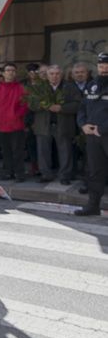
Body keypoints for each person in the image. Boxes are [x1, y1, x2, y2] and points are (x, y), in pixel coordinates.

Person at [30, 65, 79, 184]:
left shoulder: (70, 87)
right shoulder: (39, 87)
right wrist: (44, 105)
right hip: (43, 125)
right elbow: (30, 104)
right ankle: (46, 174)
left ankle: (65, 176)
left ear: (61, 75)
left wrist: (61, 108)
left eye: (57, 74)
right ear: (47, 75)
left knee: (65, 152)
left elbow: (78, 104)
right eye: (51, 74)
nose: (54, 76)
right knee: (43, 151)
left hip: (63, 125)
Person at [74, 52, 108, 217]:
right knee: (95, 171)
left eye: (107, 66)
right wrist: (83, 125)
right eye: (101, 66)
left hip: (105, 134)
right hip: (93, 136)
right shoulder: (91, 85)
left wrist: (101, 128)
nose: (104, 69)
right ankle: (93, 206)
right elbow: (82, 108)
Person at [0, 63, 28, 181]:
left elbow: (25, 105)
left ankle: (19, 173)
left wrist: (16, 115)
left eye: (12, 70)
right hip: (1, 125)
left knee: (18, 151)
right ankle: (8, 172)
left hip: (17, 124)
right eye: (8, 70)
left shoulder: (21, 88)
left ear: (15, 73)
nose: (10, 72)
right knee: (5, 151)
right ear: (4, 73)